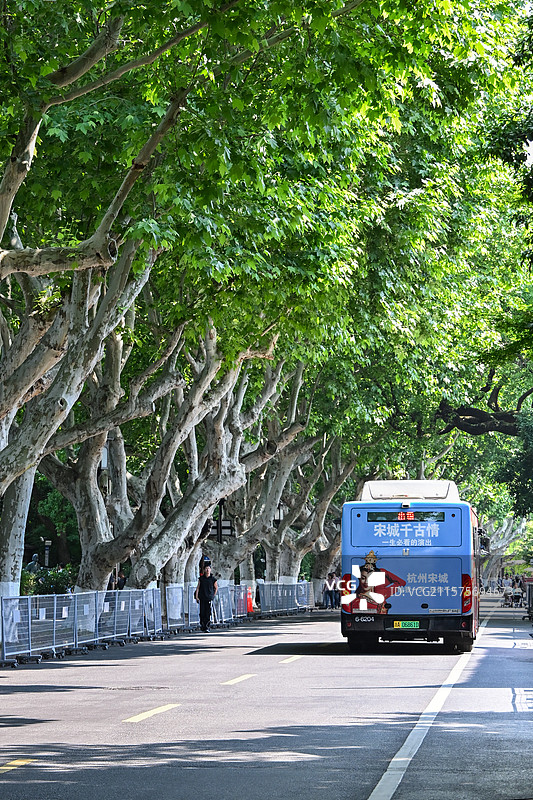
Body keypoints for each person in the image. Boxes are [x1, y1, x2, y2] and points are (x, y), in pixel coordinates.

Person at [195, 563, 218, 632]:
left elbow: (216, 588)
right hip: (202, 598)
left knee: (208, 613)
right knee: (202, 612)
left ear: (210, 570)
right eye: (206, 568)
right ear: (204, 570)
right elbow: (198, 588)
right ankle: (202, 625)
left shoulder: (213, 579)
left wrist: (213, 595)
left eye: (208, 568)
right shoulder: (201, 579)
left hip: (209, 598)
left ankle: (207, 626)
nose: (207, 570)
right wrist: (196, 596)